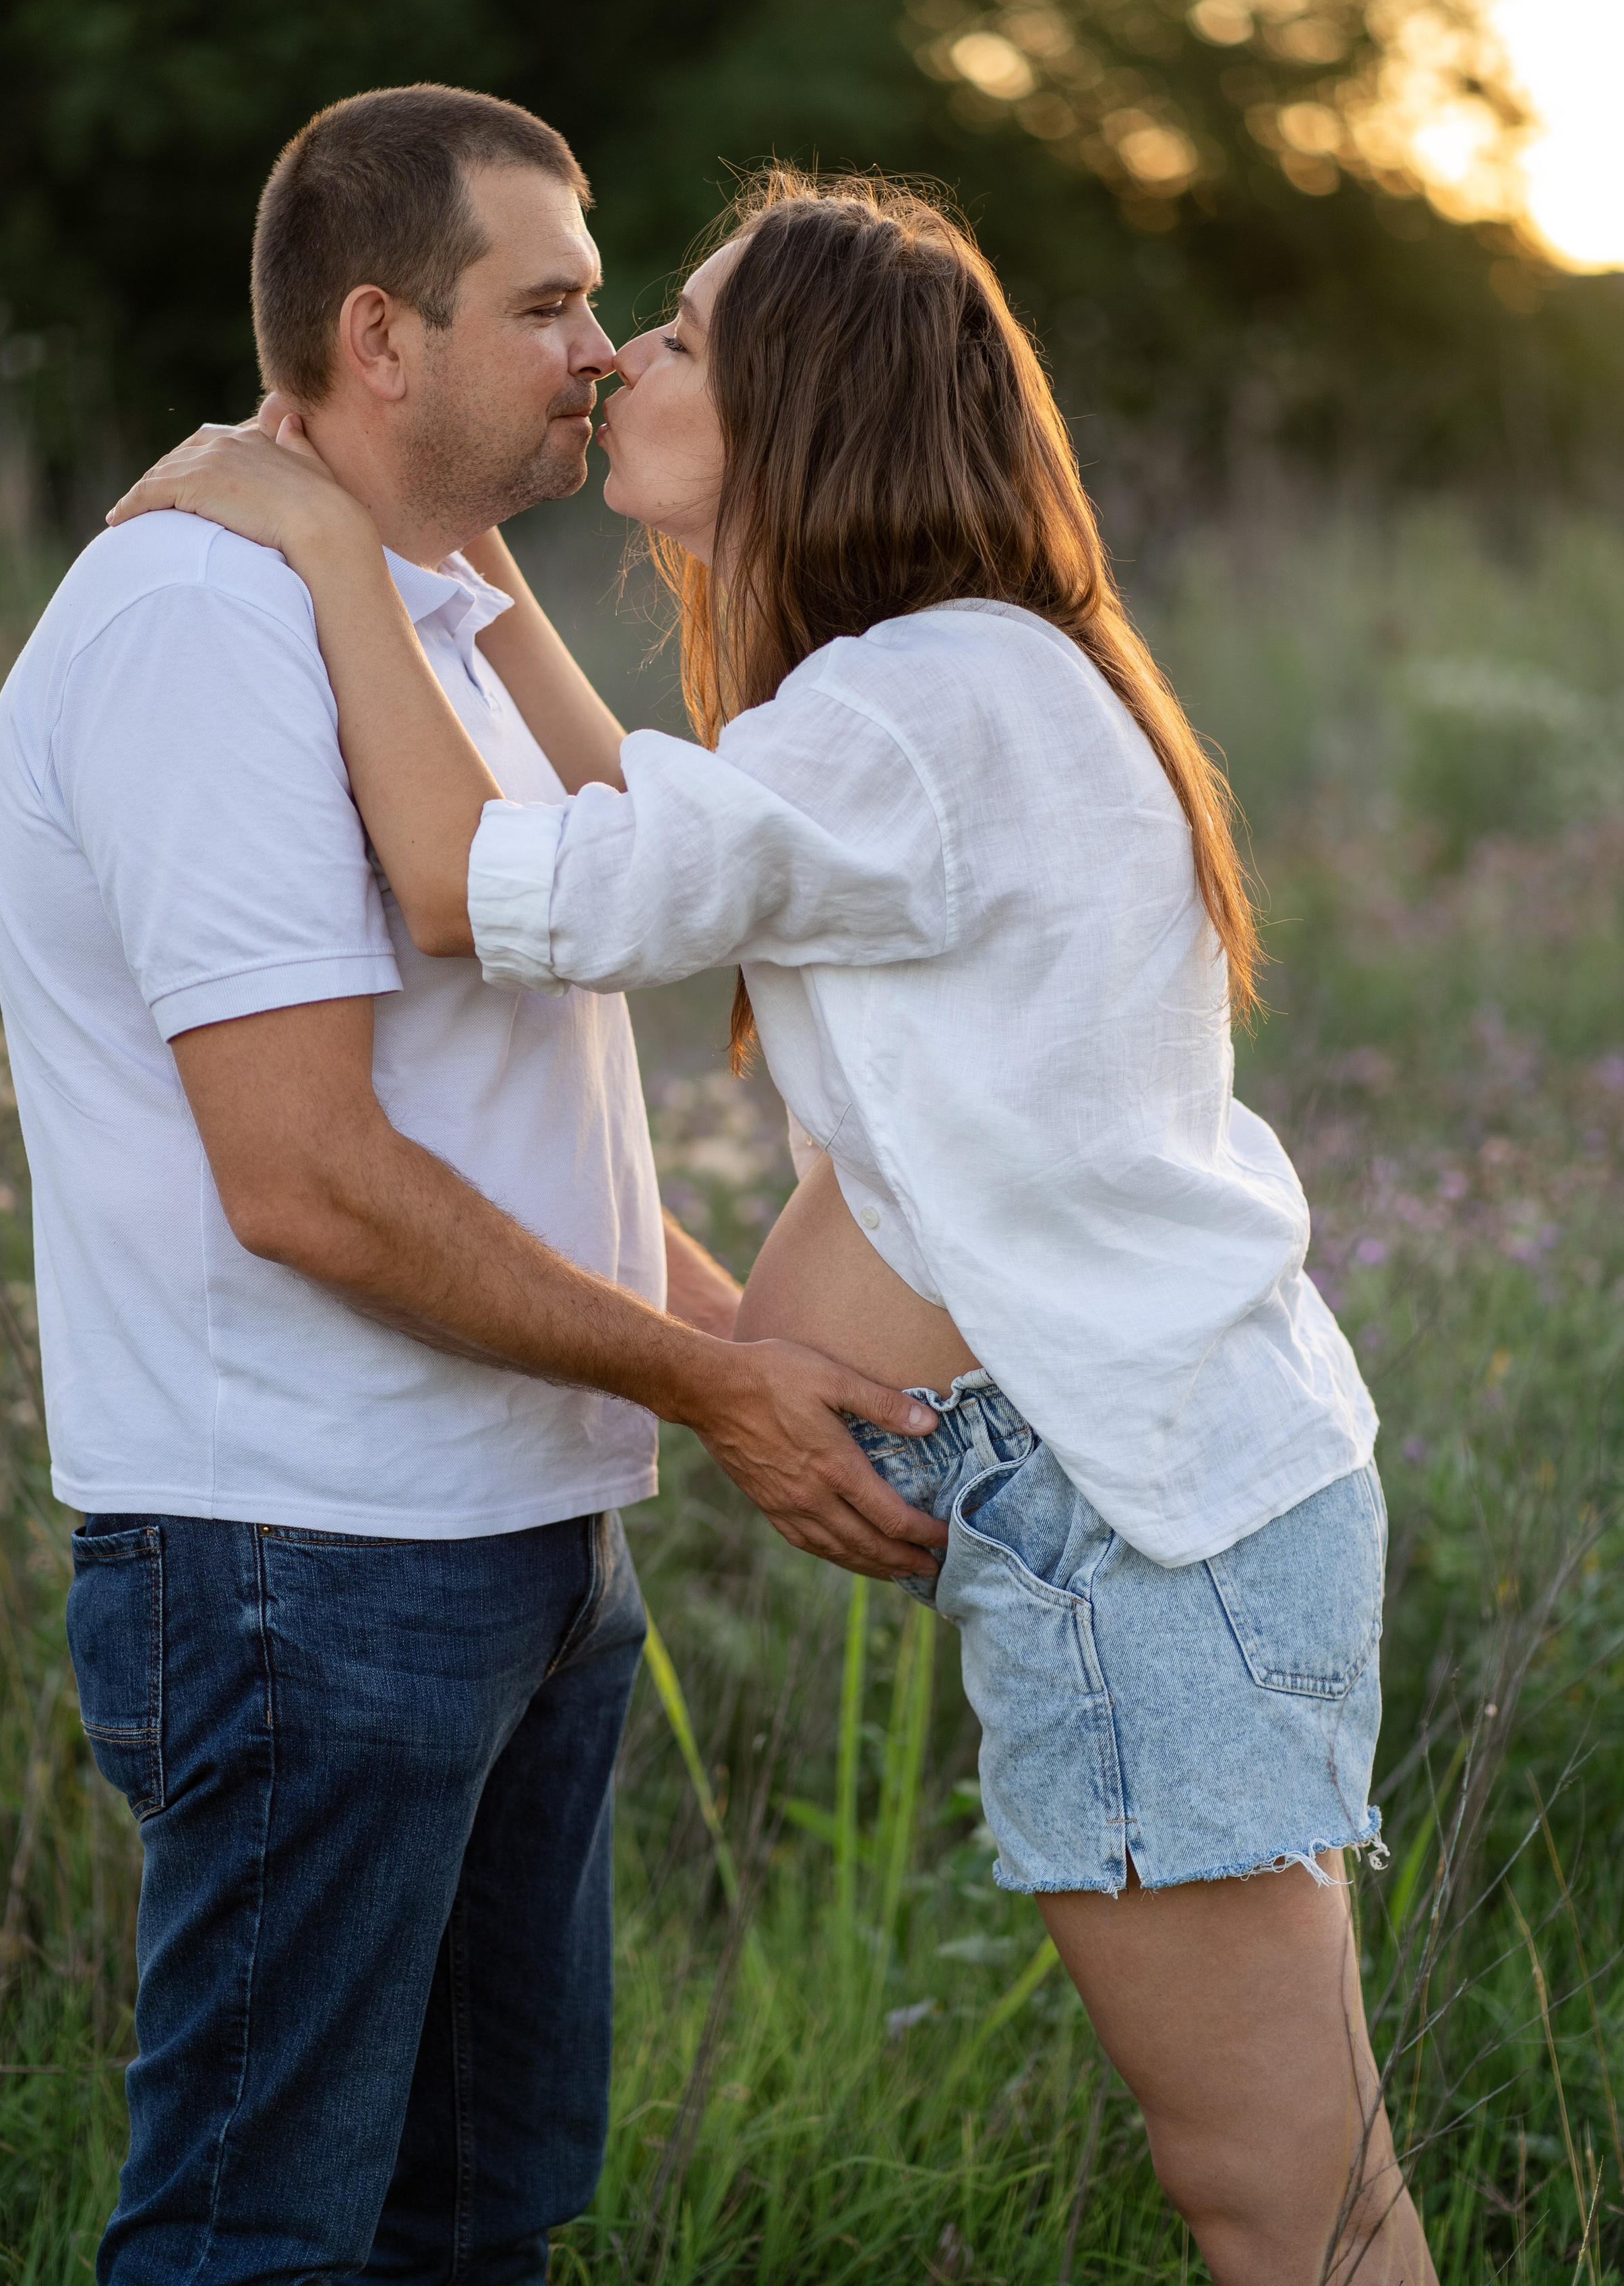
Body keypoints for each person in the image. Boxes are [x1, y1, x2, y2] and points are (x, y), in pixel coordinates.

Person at [113, 167, 1437, 2285]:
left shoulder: (923, 705)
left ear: (805, 406)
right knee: (1280, 2190)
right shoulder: (942, 686)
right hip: (1104, 1500)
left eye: (688, 336)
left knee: (1284, 2201)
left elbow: (487, 887)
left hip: (1139, 1528)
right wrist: (459, 564)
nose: (625, 355)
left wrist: (318, 538)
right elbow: (632, 832)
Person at [0, 98, 943, 2286]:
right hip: (300, 1564)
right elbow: (309, 1182)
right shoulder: (203, 627)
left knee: (479, 2217)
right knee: (267, 2241)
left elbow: (531, 1128)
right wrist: (713, 1395)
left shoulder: (435, 612)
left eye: (604, 305)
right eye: (554, 304)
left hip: (517, 1545)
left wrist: (742, 1360)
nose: (599, 351)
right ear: (381, 336)